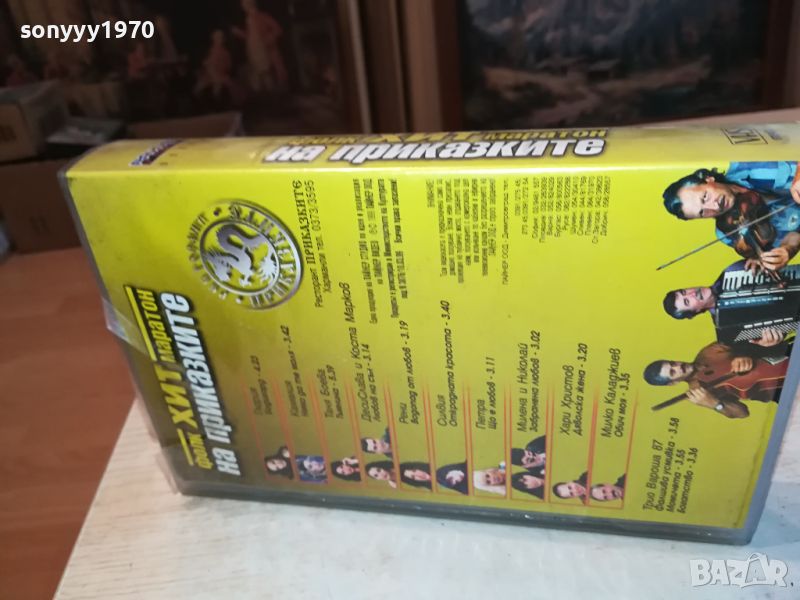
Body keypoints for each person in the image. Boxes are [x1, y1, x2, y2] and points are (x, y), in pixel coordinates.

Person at [662, 164, 800, 271]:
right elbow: (794, 234)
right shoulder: (728, 234)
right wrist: (786, 250)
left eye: (705, 197)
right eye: (703, 212)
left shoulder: (756, 169)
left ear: (709, 179)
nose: (715, 206)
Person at [662, 260, 793, 347]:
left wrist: (762, 260)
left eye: (684, 291)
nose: (691, 293)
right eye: (687, 301)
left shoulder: (732, 271)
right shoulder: (727, 333)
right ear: (694, 312)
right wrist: (769, 344)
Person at [643, 341, 790, 418]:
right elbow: (742, 413)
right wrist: (715, 404)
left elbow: (741, 338)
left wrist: (742, 354)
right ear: (673, 383)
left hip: (781, 356)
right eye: (673, 372)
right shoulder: (698, 393)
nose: (678, 366)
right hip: (780, 391)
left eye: (672, 363)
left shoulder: (708, 353)